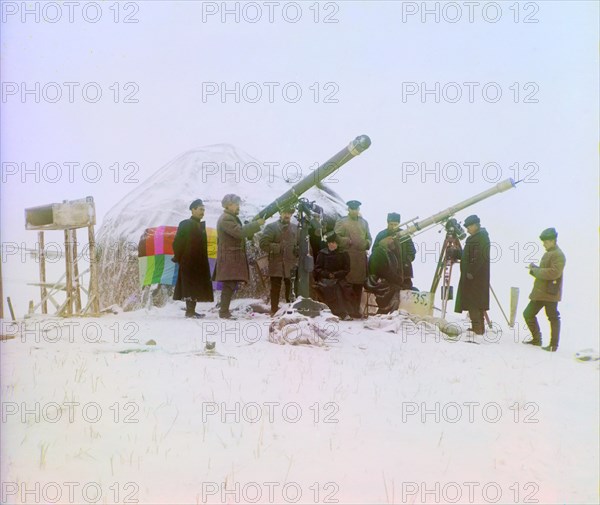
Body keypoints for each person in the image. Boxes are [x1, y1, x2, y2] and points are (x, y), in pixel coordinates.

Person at [213, 194, 265, 319]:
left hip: (231, 258)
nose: (238, 207)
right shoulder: (226, 219)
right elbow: (240, 232)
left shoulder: (230, 217)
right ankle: (224, 312)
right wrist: (256, 224)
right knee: (229, 285)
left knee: (230, 285)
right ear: (228, 205)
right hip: (230, 258)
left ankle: (224, 311)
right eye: (236, 204)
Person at [522, 227, 566, 352]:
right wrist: (535, 269)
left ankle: (553, 345)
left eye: (546, 241)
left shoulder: (559, 255)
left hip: (550, 293)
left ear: (553, 241)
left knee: (553, 317)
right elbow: (545, 271)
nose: (544, 244)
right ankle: (537, 339)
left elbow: (554, 273)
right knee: (528, 314)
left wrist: (535, 270)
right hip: (541, 293)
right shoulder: (550, 253)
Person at [172, 199, 214, 318]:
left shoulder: (200, 225)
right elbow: (177, 243)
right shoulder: (185, 224)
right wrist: (181, 258)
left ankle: (191, 311)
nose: (203, 212)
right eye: (200, 209)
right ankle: (189, 312)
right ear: (193, 210)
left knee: (195, 286)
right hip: (189, 262)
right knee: (190, 286)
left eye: (204, 210)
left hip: (199, 263)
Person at [334, 200, 372, 318]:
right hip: (348, 256)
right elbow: (336, 236)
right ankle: (347, 310)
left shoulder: (364, 223)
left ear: (358, 210)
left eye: (356, 209)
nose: (354, 211)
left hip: (360, 257)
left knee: (358, 285)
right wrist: (347, 241)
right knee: (347, 285)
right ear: (348, 209)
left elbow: (369, 238)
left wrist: (366, 243)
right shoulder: (342, 222)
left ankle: (356, 310)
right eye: (352, 209)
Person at [259, 207, 299, 315]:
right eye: (285, 212)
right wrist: (278, 248)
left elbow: (299, 244)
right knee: (275, 288)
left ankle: (290, 311)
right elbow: (263, 244)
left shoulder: (296, 228)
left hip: (290, 263)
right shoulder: (271, 227)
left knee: (291, 289)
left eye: (289, 213)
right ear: (280, 213)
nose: (287, 215)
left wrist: (297, 250)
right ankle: (274, 310)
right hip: (276, 263)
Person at [454, 214, 490, 335]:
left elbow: (479, 257)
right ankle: (478, 328)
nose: (467, 229)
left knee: (473, 302)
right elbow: (469, 256)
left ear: (475, 225)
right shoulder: (477, 237)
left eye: (469, 226)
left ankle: (477, 329)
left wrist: (471, 272)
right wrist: (459, 254)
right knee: (475, 302)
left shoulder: (481, 238)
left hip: (475, 278)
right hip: (474, 277)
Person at [314, 232, 353, 320]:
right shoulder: (322, 253)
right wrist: (327, 274)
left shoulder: (343, 254)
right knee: (333, 288)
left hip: (339, 278)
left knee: (343, 287)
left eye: (334, 243)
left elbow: (346, 269)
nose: (331, 245)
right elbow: (317, 268)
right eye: (330, 243)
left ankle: (345, 312)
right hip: (325, 279)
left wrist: (336, 274)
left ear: (337, 244)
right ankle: (335, 312)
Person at [373, 212, 417, 290]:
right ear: (387, 223)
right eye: (391, 224)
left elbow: (412, 251)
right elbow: (375, 251)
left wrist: (406, 261)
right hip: (387, 271)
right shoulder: (381, 235)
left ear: (399, 223)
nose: (393, 227)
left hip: (404, 272)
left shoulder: (405, 234)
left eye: (395, 224)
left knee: (406, 292)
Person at [366, 236, 404, 314]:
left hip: (386, 279)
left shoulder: (390, 253)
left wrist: (397, 278)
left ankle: (388, 311)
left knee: (400, 288)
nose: (392, 241)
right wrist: (395, 278)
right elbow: (380, 270)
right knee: (393, 288)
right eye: (390, 239)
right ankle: (384, 309)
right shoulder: (378, 252)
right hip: (374, 281)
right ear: (384, 240)